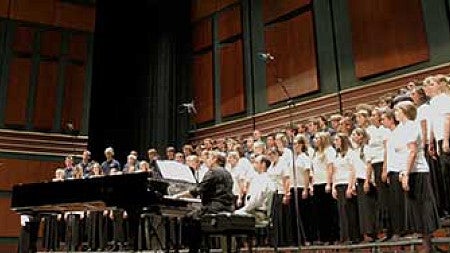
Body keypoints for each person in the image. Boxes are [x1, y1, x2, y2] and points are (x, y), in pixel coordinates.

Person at [394, 101, 440, 252]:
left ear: (405, 111)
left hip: (418, 171)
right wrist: (402, 171)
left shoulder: (413, 126)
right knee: (415, 208)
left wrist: (406, 173)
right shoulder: (400, 129)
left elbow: (412, 152)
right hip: (407, 171)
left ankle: (428, 244)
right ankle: (424, 243)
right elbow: (401, 153)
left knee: (423, 205)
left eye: (397, 110)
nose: (395, 113)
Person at [173, 151, 234, 253]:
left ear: (215, 159)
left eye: (209, 158)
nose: (206, 160)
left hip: (214, 207)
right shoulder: (227, 173)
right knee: (195, 215)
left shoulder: (213, 172)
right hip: (227, 207)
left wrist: (178, 195)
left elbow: (198, 190)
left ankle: (193, 249)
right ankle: (203, 246)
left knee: (189, 217)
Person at [235, 155, 275, 223]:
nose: (253, 164)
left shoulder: (263, 180)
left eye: (256, 162)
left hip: (258, 213)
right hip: (254, 210)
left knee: (234, 217)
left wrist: (243, 210)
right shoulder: (260, 178)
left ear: (263, 164)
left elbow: (256, 201)